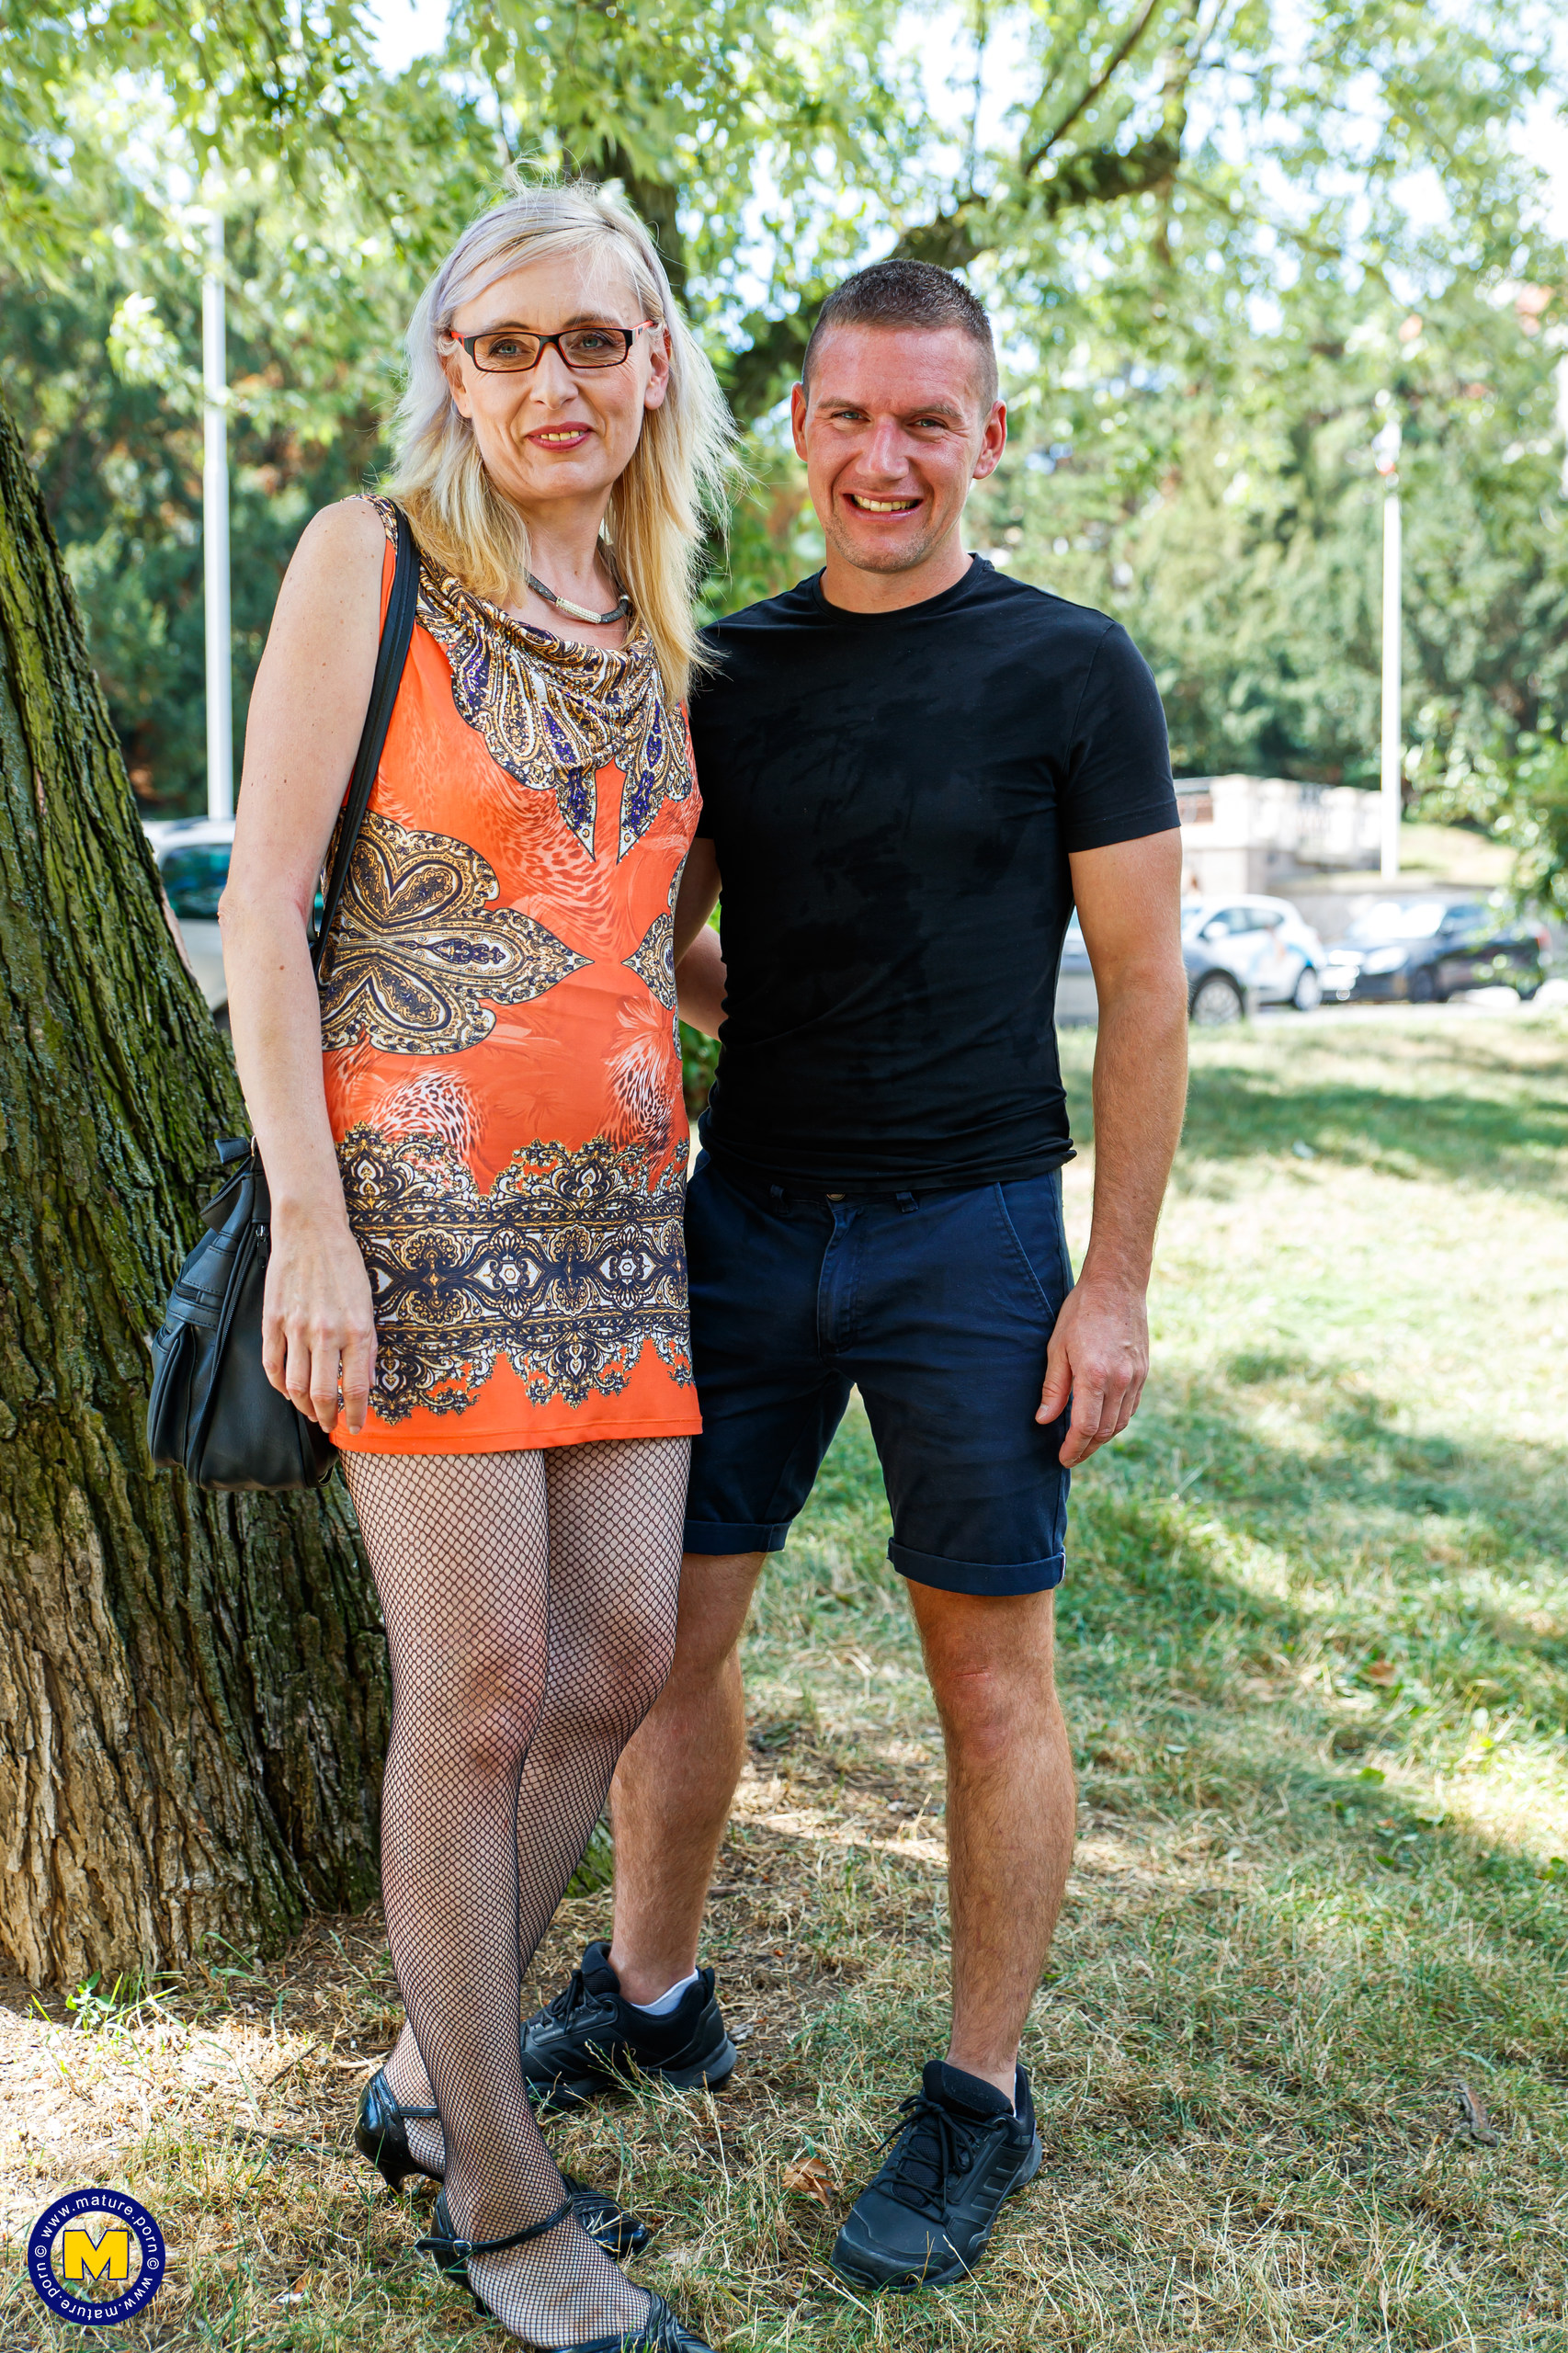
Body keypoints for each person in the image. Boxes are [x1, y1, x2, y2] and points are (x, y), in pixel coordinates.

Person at [519, 259, 1189, 2292]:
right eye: (850, 417)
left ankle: (978, 2093)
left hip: (973, 1235)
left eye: (926, 421)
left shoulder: (1073, 670)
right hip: (741, 1222)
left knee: (987, 1676)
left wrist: (1113, 1285)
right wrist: (781, 1012)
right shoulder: (724, 665)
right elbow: (649, 937)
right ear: (797, 433)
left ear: (985, 437)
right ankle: (654, 1994)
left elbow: (1145, 989)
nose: (884, 457)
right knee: (658, 1640)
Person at [219, 180, 726, 2351]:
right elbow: (266, 902)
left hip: (621, 1218)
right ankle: (501, 2190)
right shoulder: (372, 557)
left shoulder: (665, 620)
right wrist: (309, 1221)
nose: (552, 382)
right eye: (506, 345)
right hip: (409, 1210)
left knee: (615, 1660)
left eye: (592, 340)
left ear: (655, 365)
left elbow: (634, 927)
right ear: (453, 369)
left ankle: (434, 2074)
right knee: (485, 1685)